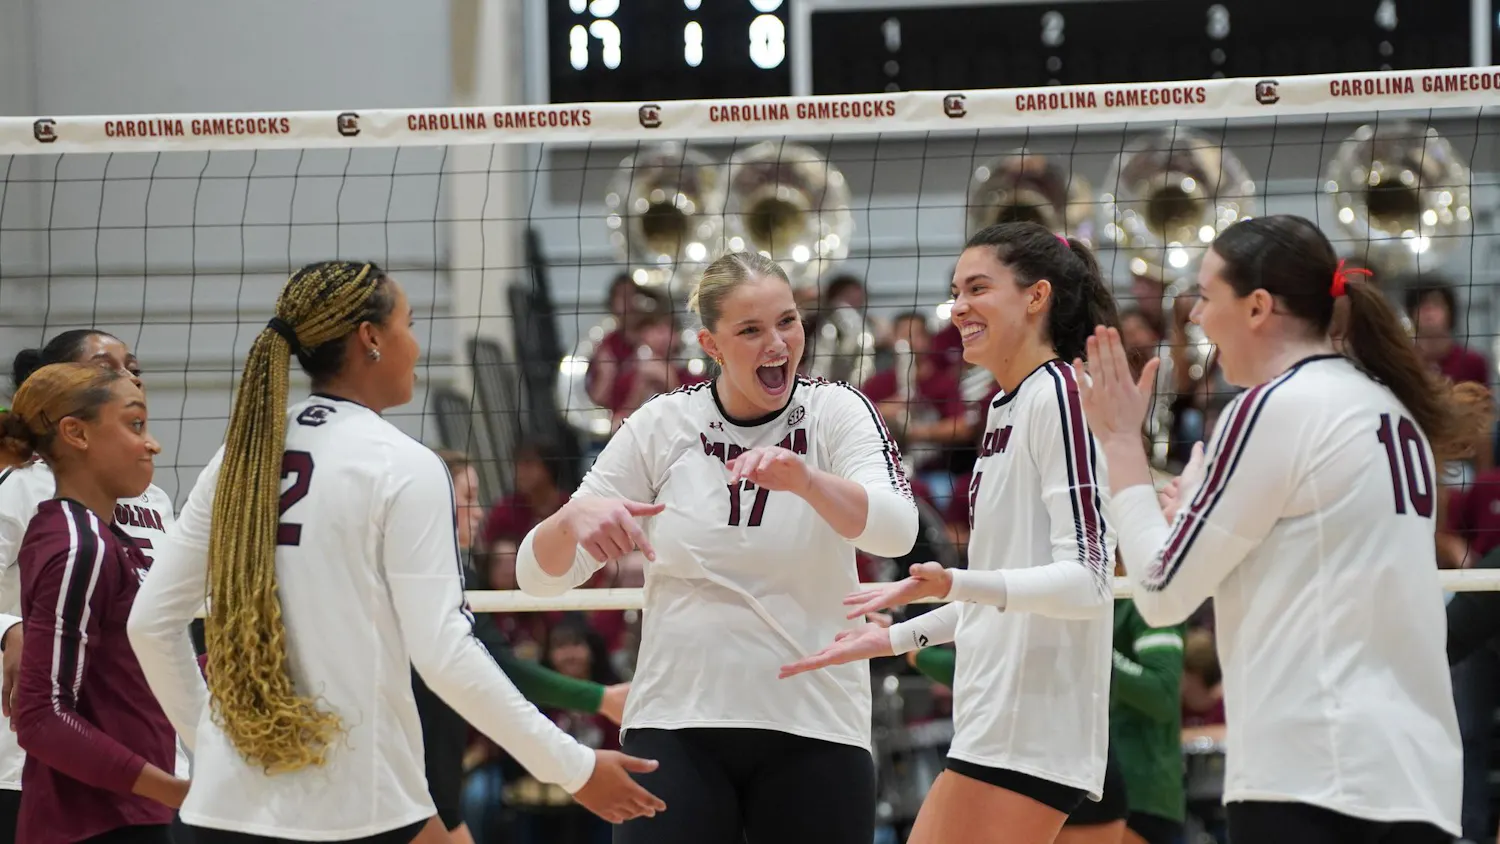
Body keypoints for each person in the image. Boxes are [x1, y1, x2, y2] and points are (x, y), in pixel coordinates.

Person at [126, 260, 663, 844]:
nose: (415, 343)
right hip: (352, 814)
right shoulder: (401, 465)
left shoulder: (243, 453)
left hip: (220, 811)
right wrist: (574, 765)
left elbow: (151, 622)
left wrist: (210, 740)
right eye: (409, 323)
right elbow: (445, 655)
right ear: (370, 339)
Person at [1076, 214, 1482, 842]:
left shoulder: (1272, 406)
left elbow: (1160, 594)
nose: (1194, 318)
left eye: (1207, 298)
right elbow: (1302, 542)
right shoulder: (1390, 409)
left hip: (1310, 778)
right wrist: (1190, 507)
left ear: (1258, 306)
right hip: (1416, 780)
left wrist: (1121, 443)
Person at [516, 250, 919, 844]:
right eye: (751, 330)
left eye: (787, 321)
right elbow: (538, 576)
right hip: (676, 722)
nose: (776, 343)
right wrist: (570, 520)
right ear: (711, 343)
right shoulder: (662, 423)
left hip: (814, 721)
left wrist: (806, 480)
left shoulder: (838, 412)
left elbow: (896, 530)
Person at [780, 221, 1119, 844]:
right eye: (956, 290)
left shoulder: (1063, 396)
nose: (958, 307)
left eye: (978, 288)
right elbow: (1003, 595)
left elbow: (1089, 582)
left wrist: (954, 580)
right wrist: (891, 639)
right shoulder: (1004, 406)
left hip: (1034, 726)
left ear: (1036, 297)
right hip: (995, 720)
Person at [0, 330, 183, 844]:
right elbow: (43, 716)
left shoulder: (131, 515)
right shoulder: (63, 528)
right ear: (73, 428)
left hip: (138, 778)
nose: (128, 375)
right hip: (86, 793)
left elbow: (139, 637)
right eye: (109, 368)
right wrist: (9, 628)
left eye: (133, 366)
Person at [416, 450, 630, 844]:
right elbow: (503, 668)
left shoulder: (455, 575)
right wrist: (599, 698)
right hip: (416, 760)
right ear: (437, 498)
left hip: (432, 765)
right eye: (470, 496)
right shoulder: (433, 580)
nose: (479, 511)